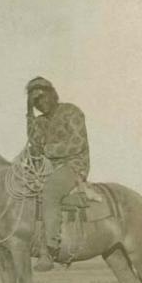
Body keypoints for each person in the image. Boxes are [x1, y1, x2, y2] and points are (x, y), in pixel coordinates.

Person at [26, 76, 90, 271]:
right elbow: (34, 142)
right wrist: (28, 112)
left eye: (43, 97)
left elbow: (78, 143)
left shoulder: (72, 111)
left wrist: (48, 150)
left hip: (73, 165)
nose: (40, 103)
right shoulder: (39, 121)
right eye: (35, 101)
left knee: (50, 191)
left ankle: (50, 248)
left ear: (53, 94)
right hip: (47, 168)